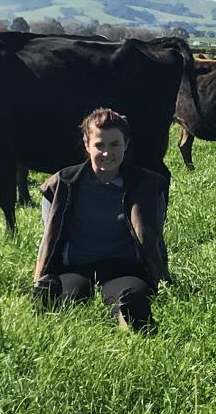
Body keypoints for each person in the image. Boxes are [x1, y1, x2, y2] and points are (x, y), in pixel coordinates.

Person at [32, 108, 169, 331]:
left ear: (126, 144)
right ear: (87, 144)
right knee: (71, 296)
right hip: (76, 266)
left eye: (114, 144)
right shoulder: (61, 184)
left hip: (124, 267)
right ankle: (50, 296)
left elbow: (154, 236)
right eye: (100, 145)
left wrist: (162, 276)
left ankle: (132, 319)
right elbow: (48, 237)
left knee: (127, 296)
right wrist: (38, 277)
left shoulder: (148, 186)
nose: (107, 153)